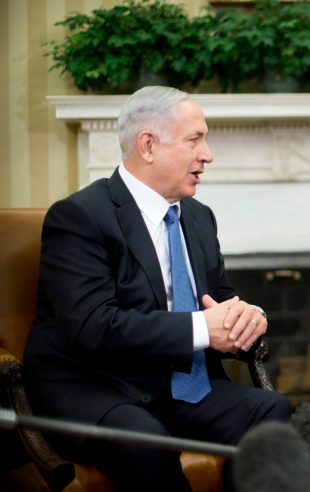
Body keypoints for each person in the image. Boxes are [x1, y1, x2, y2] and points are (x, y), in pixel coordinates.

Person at [23, 86, 291, 492]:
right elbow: (93, 326)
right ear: (148, 145)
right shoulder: (80, 217)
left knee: (269, 410)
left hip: (177, 386)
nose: (208, 154)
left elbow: (218, 299)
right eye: (195, 139)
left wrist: (247, 318)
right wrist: (204, 328)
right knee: (146, 442)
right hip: (97, 387)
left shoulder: (199, 217)